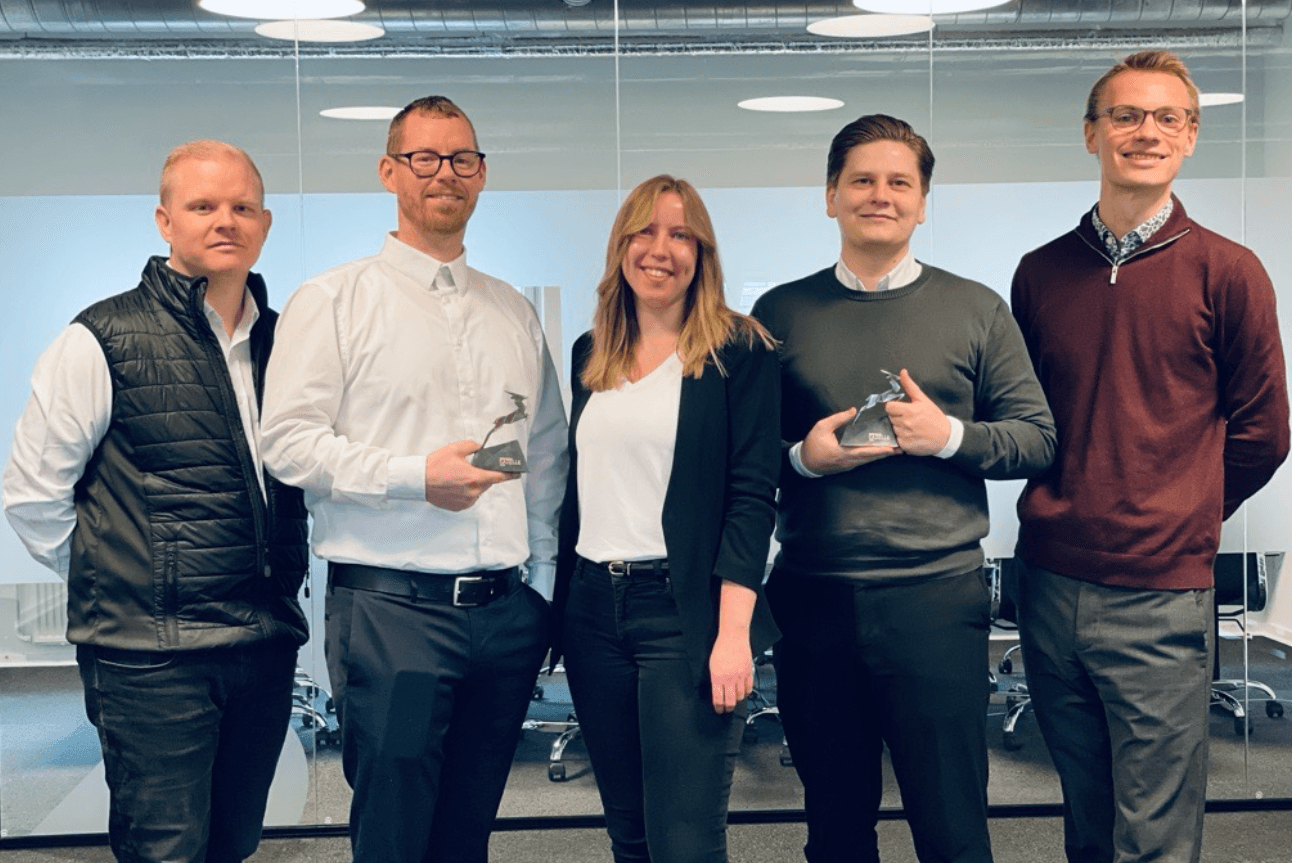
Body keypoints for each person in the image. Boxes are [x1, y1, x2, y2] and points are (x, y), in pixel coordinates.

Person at [259, 95, 567, 863]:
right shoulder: (331, 301)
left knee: (468, 832)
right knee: (395, 834)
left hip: (503, 613)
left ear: (482, 174)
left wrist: (542, 589)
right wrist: (411, 477)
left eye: (462, 158)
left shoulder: (511, 312)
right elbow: (287, 444)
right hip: (390, 610)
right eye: (425, 158)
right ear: (389, 171)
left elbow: (546, 454)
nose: (445, 174)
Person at [751, 114, 1056, 863]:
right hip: (813, 600)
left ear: (923, 203)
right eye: (861, 180)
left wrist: (947, 436)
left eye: (899, 183)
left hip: (935, 601)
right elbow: (746, 459)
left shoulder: (976, 308)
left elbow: (1038, 438)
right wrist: (804, 460)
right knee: (834, 827)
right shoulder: (778, 314)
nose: (879, 196)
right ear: (830, 196)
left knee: (952, 826)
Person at [1010, 50, 1290, 863]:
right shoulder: (1040, 274)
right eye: (1127, 115)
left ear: (1192, 139)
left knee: (1156, 834)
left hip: (1160, 592)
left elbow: (1264, 431)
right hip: (1050, 582)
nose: (1147, 132)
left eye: (1169, 117)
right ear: (1091, 133)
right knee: (1086, 820)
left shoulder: (1230, 272)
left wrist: (1183, 507)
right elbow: (1028, 419)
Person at [2, 140, 308, 863]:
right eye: (203, 206)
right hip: (150, 656)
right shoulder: (100, 338)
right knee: (166, 848)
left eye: (241, 207)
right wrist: (121, 580)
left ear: (264, 223)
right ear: (165, 220)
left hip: (262, 642)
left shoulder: (288, 344)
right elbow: (32, 496)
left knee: (233, 841)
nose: (223, 220)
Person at [550, 175, 781, 863]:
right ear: (621, 247)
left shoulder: (740, 350)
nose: (661, 248)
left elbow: (751, 495)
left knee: (685, 839)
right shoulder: (591, 355)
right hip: (594, 610)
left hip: (683, 612)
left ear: (702, 252)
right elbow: (576, 491)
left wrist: (732, 633)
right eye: (644, 231)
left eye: (680, 233)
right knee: (630, 832)